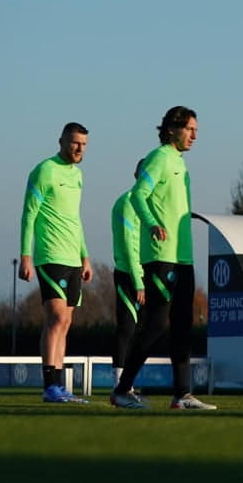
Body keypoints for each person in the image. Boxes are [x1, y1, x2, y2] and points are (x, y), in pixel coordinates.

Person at [113, 107, 216, 409]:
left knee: (183, 326)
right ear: (171, 129)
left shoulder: (180, 164)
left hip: (182, 258)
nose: (195, 136)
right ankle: (122, 389)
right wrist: (151, 223)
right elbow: (137, 195)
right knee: (157, 324)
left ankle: (182, 395)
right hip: (161, 258)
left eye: (197, 130)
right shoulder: (159, 158)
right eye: (189, 129)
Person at [20, 122, 93, 404]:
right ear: (61, 141)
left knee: (66, 322)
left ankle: (60, 387)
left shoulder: (77, 176)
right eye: (75, 143)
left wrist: (85, 256)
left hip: (74, 257)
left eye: (84, 144)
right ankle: (49, 385)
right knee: (57, 317)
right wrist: (25, 255)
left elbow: (74, 218)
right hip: (50, 255)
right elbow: (29, 214)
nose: (79, 149)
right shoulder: (44, 171)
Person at [110, 159, 145, 398]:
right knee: (126, 328)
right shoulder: (127, 203)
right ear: (136, 174)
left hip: (145, 274)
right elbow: (128, 246)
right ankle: (120, 385)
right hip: (128, 275)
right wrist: (138, 281)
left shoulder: (149, 206)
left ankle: (128, 383)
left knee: (143, 331)